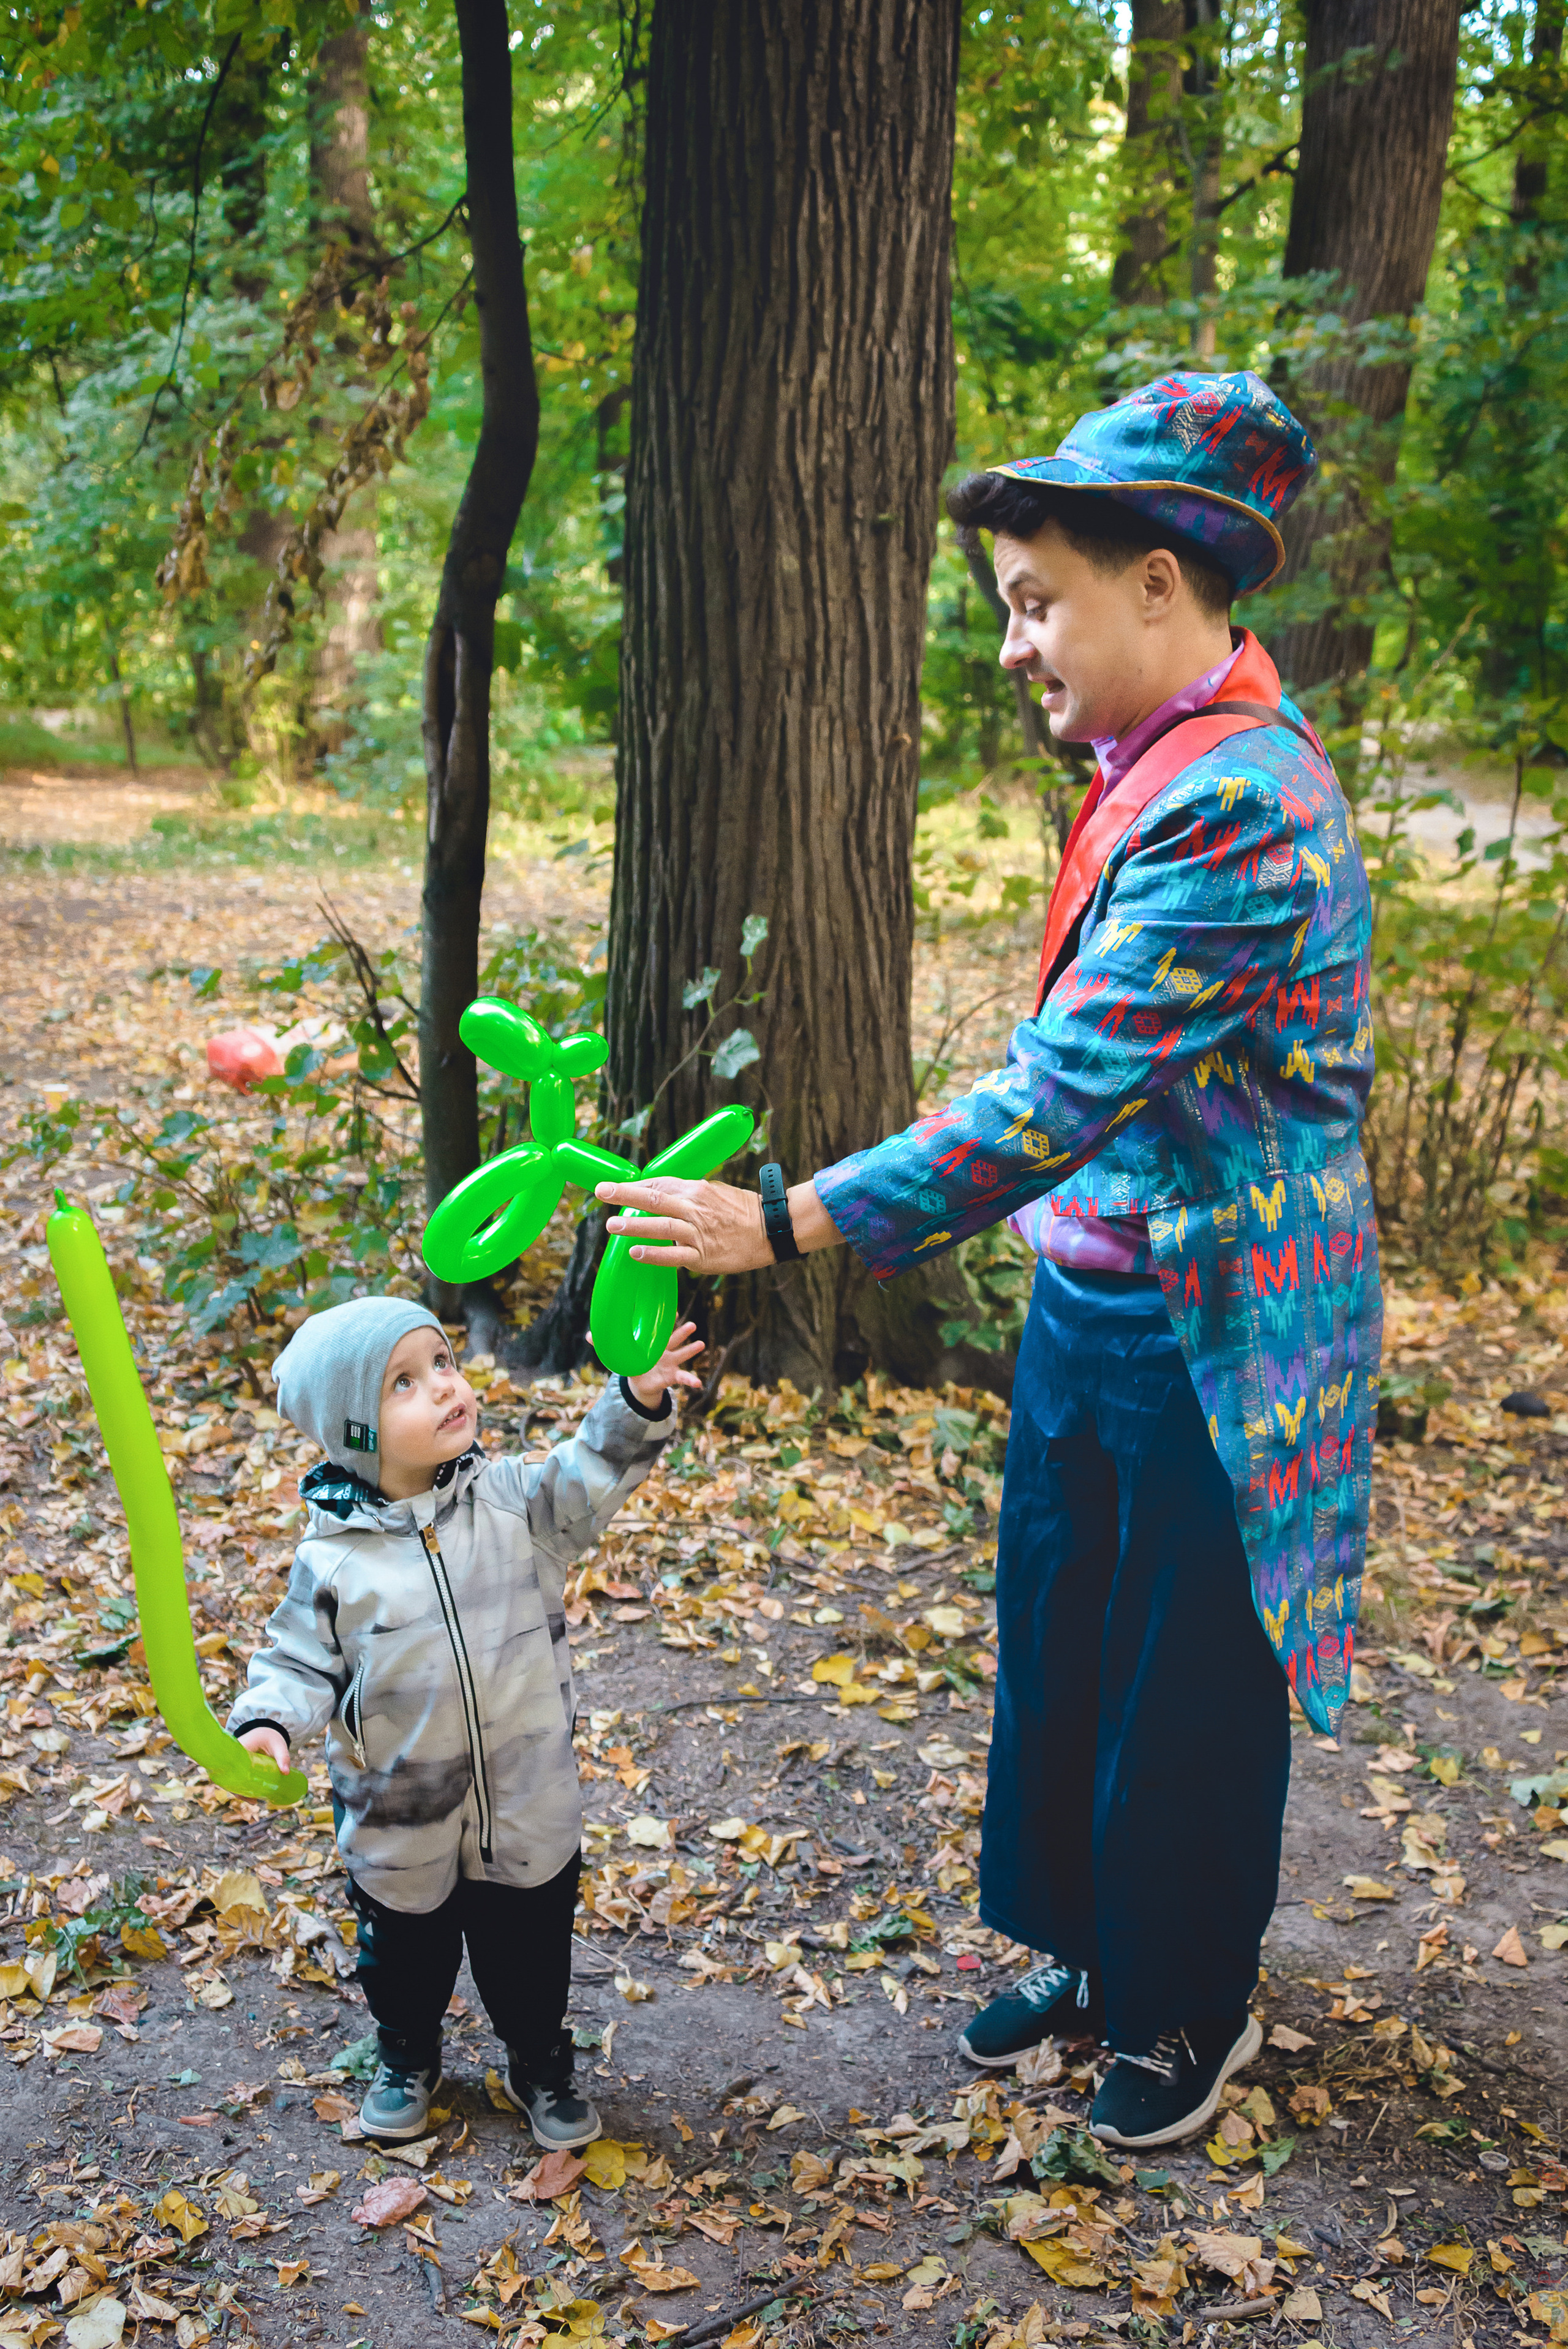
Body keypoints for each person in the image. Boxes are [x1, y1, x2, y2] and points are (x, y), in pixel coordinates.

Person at [590, 371, 1381, 2151]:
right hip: (1096, 1297)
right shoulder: (1148, 763)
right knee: (1070, 1636)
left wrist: (783, 1220)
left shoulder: (1240, 802)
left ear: (1162, 584)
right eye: (1006, 604)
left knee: (1184, 1668)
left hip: (1221, 1325)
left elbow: (1061, 1090)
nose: (1016, 642)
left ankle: (1191, 2004)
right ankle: (1096, 1956)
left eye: (1040, 601)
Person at [231, 1295, 701, 2146]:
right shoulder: (332, 1561)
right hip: (399, 1812)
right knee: (403, 1953)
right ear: (356, 1434)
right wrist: (268, 1723)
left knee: (531, 1950)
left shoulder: (514, 1505)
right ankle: (408, 2054)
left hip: (525, 1797)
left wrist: (635, 1401)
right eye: (404, 1384)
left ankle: (538, 2061)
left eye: (443, 1362)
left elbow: (589, 1469)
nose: (445, 1387)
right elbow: (295, 1658)